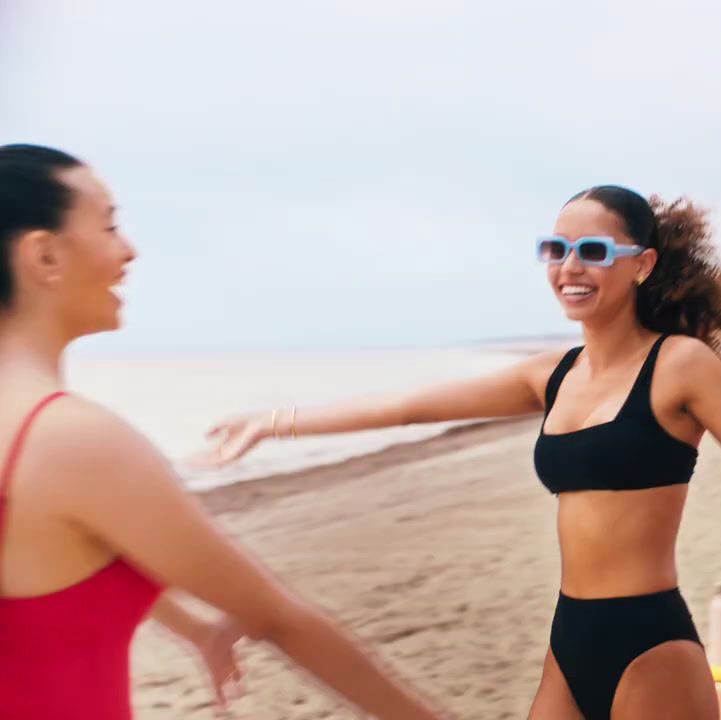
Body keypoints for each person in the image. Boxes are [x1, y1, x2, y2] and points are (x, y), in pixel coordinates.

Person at [200, 184, 721, 720]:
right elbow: (412, 406)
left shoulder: (681, 365)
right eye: (556, 249)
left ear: (643, 265)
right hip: (570, 637)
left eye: (594, 251)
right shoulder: (552, 374)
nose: (570, 266)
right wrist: (276, 421)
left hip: (650, 643)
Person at [0, 144, 450, 720]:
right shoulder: (71, 440)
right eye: (110, 225)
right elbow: (279, 618)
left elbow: (55, 555)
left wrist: (196, 627)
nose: (129, 250)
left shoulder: (44, 448)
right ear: (44, 255)